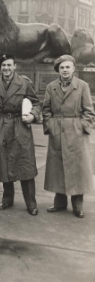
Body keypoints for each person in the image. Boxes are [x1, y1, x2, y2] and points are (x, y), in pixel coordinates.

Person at [0, 54, 41, 215]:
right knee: (4, 164)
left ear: (15, 66)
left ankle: (31, 203)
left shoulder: (24, 83)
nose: (6, 68)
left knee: (25, 164)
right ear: (0, 68)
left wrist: (33, 115)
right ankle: (7, 199)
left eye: (9, 65)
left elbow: (36, 103)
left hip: (20, 126)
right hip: (1, 126)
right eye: (3, 66)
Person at [42, 54, 95, 218]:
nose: (65, 70)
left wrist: (82, 127)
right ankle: (59, 202)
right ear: (58, 70)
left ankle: (78, 205)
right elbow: (46, 110)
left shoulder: (82, 86)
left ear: (73, 68)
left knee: (77, 168)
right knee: (58, 167)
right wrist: (50, 126)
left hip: (76, 132)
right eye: (62, 67)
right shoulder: (51, 87)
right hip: (57, 130)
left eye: (68, 67)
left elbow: (89, 112)